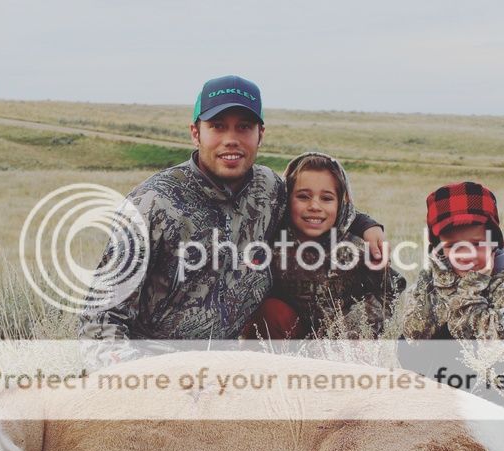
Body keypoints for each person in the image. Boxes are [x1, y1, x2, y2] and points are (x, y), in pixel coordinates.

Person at [78, 76, 385, 364]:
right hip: (157, 367)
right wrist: (137, 378)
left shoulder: (268, 189)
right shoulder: (152, 204)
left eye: (244, 127)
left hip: (229, 367)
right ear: (196, 133)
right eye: (218, 126)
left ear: (260, 134)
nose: (231, 140)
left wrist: (366, 226)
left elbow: (313, 208)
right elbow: (99, 319)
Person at [398, 181, 504, 405]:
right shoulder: (433, 277)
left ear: (493, 243)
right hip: (456, 379)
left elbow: (496, 344)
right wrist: (444, 287)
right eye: (453, 246)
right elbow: (414, 335)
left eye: (476, 244)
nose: (465, 255)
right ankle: (438, 402)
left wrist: (472, 287)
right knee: (405, 345)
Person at [243, 152, 405, 339]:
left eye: (327, 198)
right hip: (289, 337)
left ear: (341, 204)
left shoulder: (356, 246)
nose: (314, 206)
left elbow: (389, 290)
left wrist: (351, 332)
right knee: (271, 312)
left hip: (340, 340)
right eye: (303, 197)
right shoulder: (269, 238)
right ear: (287, 200)